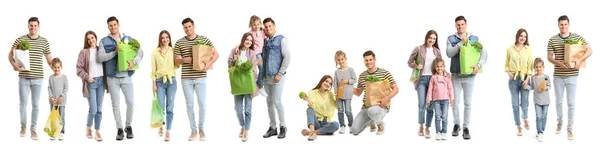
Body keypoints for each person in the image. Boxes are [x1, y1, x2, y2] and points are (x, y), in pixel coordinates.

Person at [97, 16, 144, 141]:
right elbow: (100, 58)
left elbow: (140, 51)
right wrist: (115, 52)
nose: (113, 27)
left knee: (131, 103)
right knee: (115, 105)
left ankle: (128, 126)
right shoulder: (104, 41)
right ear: (108, 27)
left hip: (126, 76)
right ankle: (119, 129)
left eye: (114, 24)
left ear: (118, 25)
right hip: (112, 77)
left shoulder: (128, 38)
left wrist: (134, 62)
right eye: (110, 25)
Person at [546, 15, 593, 140]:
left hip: (572, 75)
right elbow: (549, 57)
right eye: (561, 24)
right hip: (558, 76)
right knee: (559, 102)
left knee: (571, 103)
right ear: (558, 25)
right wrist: (558, 63)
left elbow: (590, 50)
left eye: (565, 24)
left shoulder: (577, 37)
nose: (563, 26)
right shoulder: (553, 39)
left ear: (569, 25)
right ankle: (560, 123)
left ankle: (570, 128)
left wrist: (579, 59)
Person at [174, 17, 219, 141]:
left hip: (201, 77)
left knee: (202, 104)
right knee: (189, 105)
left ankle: (201, 129)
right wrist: (187, 60)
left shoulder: (203, 40)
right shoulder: (179, 43)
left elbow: (216, 54)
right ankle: (193, 130)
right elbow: (176, 60)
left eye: (189, 26)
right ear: (183, 28)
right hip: (186, 78)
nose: (188, 29)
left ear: (193, 26)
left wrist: (209, 64)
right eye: (185, 27)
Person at [8, 17, 54, 140]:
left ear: (38, 26)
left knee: (36, 105)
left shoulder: (44, 41)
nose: (33, 27)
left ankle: (33, 129)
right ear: (28, 26)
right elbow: (10, 54)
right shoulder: (20, 39)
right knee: (23, 104)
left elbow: (49, 60)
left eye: (35, 25)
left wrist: (56, 70)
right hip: (24, 77)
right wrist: (14, 65)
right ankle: (23, 127)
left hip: (38, 78)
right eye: (31, 25)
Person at [445, 15, 488, 140]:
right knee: (455, 102)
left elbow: (484, 54)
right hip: (456, 76)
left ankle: (466, 127)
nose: (460, 26)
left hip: (470, 76)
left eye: (462, 24)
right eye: (458, 24)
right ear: (455, 26)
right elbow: (448, 53)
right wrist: (460, 43)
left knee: (468, 103)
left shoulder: (474, 39)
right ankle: (457, 124)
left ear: (466, 25)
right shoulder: (451, 38)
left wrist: (478, 65)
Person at [351, 50, 399, 135]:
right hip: (366, 106)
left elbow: (396, 89)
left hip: (381, 105)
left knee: (372, 111)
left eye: (370, 59)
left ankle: (380, 124)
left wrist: (386, 98)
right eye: (366, 60)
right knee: (354, 130)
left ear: (374, 60)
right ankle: (372, 121)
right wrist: (347, 87)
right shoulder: (362, 76)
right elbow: (358, 92)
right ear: (364, 61)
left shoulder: (384, 73)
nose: (368, 62)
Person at [407, 30, 443, 138]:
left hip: (433, 81)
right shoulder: (419, 48)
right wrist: (416, 66)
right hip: (421, 79)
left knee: (430, 106)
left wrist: (445, 75)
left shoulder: (437, 51)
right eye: (430, 38)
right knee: (422, 104)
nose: (432, 40)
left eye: (434, 38)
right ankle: (421, 126)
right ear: (426, 37)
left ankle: (428, 128)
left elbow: (440, 65)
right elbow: (409, 62)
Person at [227, 32, 261, 142]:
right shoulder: (234, 50)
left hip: (248, 84)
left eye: (251, 41)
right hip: (237, 84)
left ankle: (246, 131)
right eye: (247, 39)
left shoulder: (252, 53)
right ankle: (242, 125)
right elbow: (229, 65)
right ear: (243, 39)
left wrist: (254, 85)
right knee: (237, 108)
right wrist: (235, 59)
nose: (249, 42)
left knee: (248, 109)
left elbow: (254, 70)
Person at [260, 17, 290, 139]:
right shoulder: (264, 41)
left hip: (277, 77)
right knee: (269, 102)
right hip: (267, 77)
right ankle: (273, 128)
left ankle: (283, 127)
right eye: (266, 27)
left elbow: (287, 57)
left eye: (270, 26)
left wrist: (280, 73)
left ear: (274, 26)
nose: (268, 28)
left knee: (277, 101)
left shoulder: (281, 40)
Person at [76, 30, 106, 142]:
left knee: (99, 109)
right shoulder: (83, 52)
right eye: (88, 39)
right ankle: (88, 127)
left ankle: (97, 131)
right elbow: (78, 69)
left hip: (101, 82)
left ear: (96, 38)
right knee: (93, 109)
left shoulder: (101, 50)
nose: (91, 41)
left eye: (92, 38)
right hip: (91, 82)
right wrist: (87, 77)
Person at [505, 28, 533, 136]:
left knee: (525, 104)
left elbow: (530, 65)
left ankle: (525, 118)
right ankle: (518, 126)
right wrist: (509, 73)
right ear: (517, 36)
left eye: (525, 36)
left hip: (525, 78)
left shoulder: (528, 49)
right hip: (513, 79)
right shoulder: (510, 49)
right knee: (515, 104)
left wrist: (527, 79)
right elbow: (506, 63)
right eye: (521, 36)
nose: (523, 38)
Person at [151, 30, 178, 142]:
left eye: (167, 37)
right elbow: (153, 70)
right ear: (160, 39)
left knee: (170, 107)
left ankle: (168, 131)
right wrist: (153, 84)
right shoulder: (155, 52)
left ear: (169, 39)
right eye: (163, 37)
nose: (165, 39)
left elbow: (177, 65)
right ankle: (161, 126)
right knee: (160, 106)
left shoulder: (173, 51)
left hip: (171, 81)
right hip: (159, 82)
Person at [301, 75, 340, 141]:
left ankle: (312, 132)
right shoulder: (313, 92)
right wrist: (308, 100)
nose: (327, 84)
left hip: (327, 124)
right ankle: (313, 131)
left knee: (336, 125)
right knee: (309, 109)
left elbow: (337, 106)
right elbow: (311, 105)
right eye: (326, 81)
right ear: (322, 81)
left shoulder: (330, 94)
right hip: (317, 123)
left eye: (330, 83)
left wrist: (338, 98)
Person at [426, 58, 453, 141]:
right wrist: (428, 99)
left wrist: (452, 98)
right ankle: (438, 132)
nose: (439, 68)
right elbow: (430, 90)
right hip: (436, 100)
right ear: (435, 67)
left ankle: (444, 132)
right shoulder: (433, 78)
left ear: (444, 67)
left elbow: (450, 88)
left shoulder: (447, 77)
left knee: (444, 116)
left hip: (445, 100)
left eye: (441, 66)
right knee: (437, 116)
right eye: (437, 66)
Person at [331, 50, 356, 134]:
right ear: (336, 61)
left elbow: (355, 79)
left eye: (342, 59)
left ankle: (351, 125)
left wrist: (348, 81)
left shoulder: (350, 70)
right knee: (340, 110)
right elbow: (335, 83)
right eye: (338, 60)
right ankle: (342, 125)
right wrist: (335, 92)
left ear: (345, 59)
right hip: (339, 94)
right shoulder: (336, 72)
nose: (341, 61)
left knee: (348, 110)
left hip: (348, 94)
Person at [528, 58, 551, 142]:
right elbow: (532, 87)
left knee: (544, 116)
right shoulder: (533, 77)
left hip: (546, 101)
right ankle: (539, 132)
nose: (538, 69)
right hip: (537, 100)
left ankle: (542, 130)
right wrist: (526, 86)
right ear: (534, 68)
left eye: (540, 67)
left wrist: (546, 87)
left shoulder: (546, 77)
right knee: (538, 116)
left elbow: (550, 86)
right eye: (536, 67)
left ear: (543, 67)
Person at [47, 58, 68, 141]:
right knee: (53, 117)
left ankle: (61, 132)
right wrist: (51, 97)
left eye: (58, 67)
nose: (56, 69)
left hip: (61, 102)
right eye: (55, 67)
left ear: (61, 67)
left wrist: (61, 97)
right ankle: (53, 132)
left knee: (61, 117)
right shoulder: (51, 78)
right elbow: (49, 88)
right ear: (52, 68)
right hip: (53, 102)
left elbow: (66, 88)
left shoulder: (64, 77)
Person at [248, 15, 268, 97]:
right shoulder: (250, 33)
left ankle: (259, 83)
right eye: (254, 25)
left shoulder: (263, 31)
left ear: (260, 24)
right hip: (256, 53)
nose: (256, 26)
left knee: (264, 69)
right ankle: (260, 86)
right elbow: (245, 40)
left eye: (258, 24)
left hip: (263, 52)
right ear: (251, 25)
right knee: (261, 68)